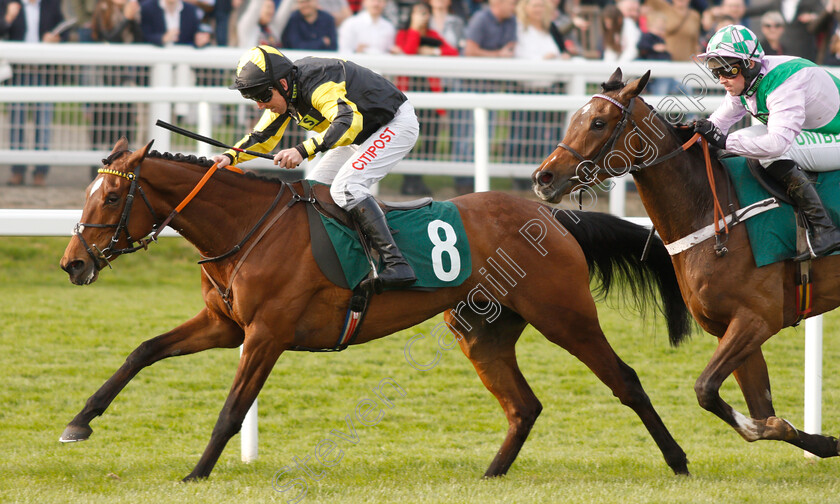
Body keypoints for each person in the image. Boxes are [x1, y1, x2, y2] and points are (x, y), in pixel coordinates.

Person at [212, 46, 419, 289]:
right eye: (253, 98)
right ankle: (341, 259)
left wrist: (302, 150)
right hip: (364, 135)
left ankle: (397, 263)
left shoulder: (319, 83)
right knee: (312, 190)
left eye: (262, 96)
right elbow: (263, 136)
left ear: (282, 84)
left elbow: (348, 122)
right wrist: (229, 157)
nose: (259, 105)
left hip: (394, 125)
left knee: (347, 187)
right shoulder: (284, 92)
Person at [693, 24, 840, 259]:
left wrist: (723, 142)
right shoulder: (747, 79)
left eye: (727, 70)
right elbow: (717, 126)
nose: (722, 79)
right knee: (741, 138)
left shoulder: (783, 83)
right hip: (819, 131)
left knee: (768, 151)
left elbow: (777, 144)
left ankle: (826, 228)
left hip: (835, 137)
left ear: (748, 64)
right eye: (716, 71)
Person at [2, 0, 64, 187]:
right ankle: (17, 171)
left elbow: (65, 31)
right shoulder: (8, 4)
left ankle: (40, 172)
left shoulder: (51, 5)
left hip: (43, 72)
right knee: (16, 123)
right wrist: (8, 17)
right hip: (18, 72)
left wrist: (55, 38)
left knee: (43, 124)